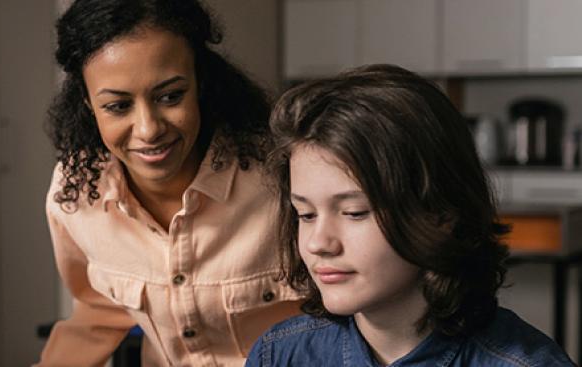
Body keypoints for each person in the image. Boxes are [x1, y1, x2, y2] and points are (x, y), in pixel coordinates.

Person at [246, 64, 574, 366]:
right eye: (305, 214)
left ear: (441, 212)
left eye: (354, 213)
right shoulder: (278, 355)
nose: (319, 243)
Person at [39, 0, 303, 365]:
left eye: (170, 96)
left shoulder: (284, 175)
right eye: (118, 106)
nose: (149, 130)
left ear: (200, 83)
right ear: (87, 102)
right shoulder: (78, 191)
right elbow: (97, 311)